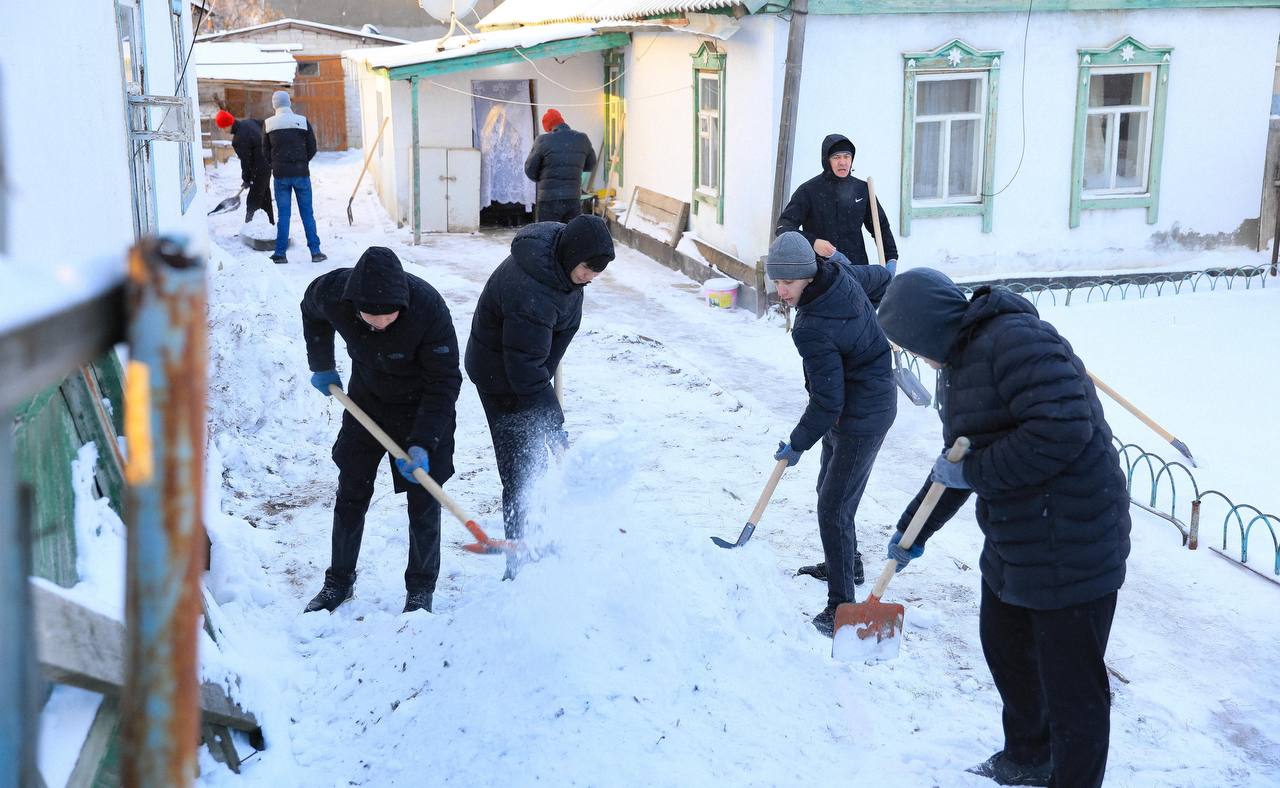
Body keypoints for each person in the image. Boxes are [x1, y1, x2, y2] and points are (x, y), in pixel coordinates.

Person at [877, 268, 1131, 788]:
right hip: (1019, 538)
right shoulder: (959, 363)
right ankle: (1028, 756)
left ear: (929, 328)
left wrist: (972, 471)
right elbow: (959, 458)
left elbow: (1062, 429)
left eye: (911, 344)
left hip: (1076, 538)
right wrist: (912, 534)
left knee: (1072, 686)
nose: (917, 358)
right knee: (1006, 649)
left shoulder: (1016, 341)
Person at [300, 246, 461, 614]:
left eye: (388, 317)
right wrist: (321, 363)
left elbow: (445, 381)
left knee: (424, 498)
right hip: (365, 401)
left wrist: (423, 442)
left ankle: (420, 589)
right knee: (351, 492)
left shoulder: (428, 309)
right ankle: (338, 581)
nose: (380, 325)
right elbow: (310, 309)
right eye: (371, 319)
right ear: (354, 304)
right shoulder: (335, 293)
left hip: (420, 406)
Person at [464, 215, 614, 577]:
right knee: (522, 471)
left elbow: (546, 348)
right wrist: (554, 429)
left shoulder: (563, 268)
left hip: (527, 366)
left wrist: (548, 367)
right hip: (498, 375)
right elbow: (525, 372)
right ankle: (519, 563)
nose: (590, 278)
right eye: (587, 270)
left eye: (597, 272)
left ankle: (538, 542)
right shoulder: (530, 290)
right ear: (571, 256)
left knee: (536, 466)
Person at [767, 231, 896, 637]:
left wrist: (798, 441)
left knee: (833, 507)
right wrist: (889, 271)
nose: (781, 289)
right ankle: (847, 563)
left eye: (789, 282)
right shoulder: (839, 272)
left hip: (862, 415)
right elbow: (879, 277)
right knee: (829, 488)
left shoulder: (811, 327)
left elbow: (827, 403)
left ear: (808, 275)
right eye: (777, 280)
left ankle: (840, 604)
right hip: (859, 406)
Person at [776, 133, 898, 268]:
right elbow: (783, 228)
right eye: (836, 157)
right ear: (827, 160)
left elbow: (881, 228)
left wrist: (891, 258)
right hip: (821, 272)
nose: (843, 162)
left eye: (847, 156)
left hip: (856, 270)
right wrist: (813, 242)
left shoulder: (862, 189)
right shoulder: (809, 191)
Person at [263, 90, 325, 264]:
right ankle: (316, 252)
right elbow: (312, 147)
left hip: (280, 176)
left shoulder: (268, 124)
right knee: (307, 214)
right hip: (301, 174)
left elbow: (265, 151)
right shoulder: (302, 121)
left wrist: (276, 164)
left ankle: (280, 254)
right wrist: (302, 162)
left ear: (274, 104)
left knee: (284, 216)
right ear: (288, 103)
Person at [523, 108, 596, 223]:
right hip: (573, 198)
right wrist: (575, 169)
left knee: (548, 236)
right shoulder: (582, 139)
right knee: (570, 236)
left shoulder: (543, 140)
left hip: (548, 200)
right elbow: (591, 164)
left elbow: (530, 170)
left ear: (549, 128)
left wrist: (542, 177)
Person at [215, 110, 274, 225]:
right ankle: (270, 225)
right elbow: (264, 123)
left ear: (228, 125)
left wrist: (246, 179)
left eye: (222, 127)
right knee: (265, 197)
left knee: (253, 201)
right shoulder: (249, 122)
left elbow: (246, 162)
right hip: (267, 165)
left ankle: (250, 229)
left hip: (259, 170)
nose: (223, 130)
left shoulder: (238, 139)